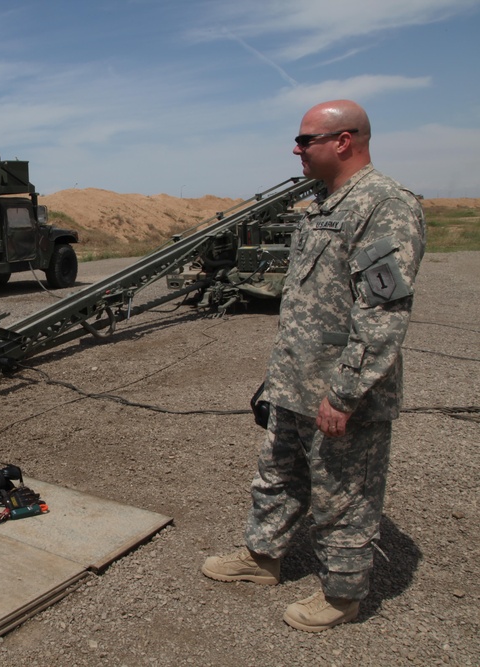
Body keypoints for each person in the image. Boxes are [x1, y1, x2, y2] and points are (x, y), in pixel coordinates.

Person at [201, 100, 426, 632]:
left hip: (338, 389)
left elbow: (382, 313)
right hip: (295, 381)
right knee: (278, 475)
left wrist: (344, 393)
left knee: (344, 493)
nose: (296, 149)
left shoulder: (383, 205)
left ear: (343, 141)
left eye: (305, 140)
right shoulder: (325, 206)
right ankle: (262, 559)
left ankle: (343, 594)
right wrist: (281, 377)